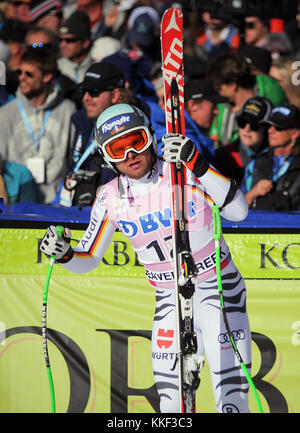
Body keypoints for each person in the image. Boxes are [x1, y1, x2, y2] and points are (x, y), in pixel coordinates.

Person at [40, 103, 252, 413]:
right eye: (117, 148)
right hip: (169, 298)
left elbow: (239, 212)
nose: (129, 155)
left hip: (218, 290)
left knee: (231, 394)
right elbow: (88, 258)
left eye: (135, 142)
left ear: (151, 138)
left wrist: (198, 163)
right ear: (105, 155)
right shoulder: (109, 197)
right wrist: (66, 254)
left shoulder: (182, 171)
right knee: (172, 402)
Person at [55, 61, 139, 206]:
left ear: (115, 95)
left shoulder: (137, 125)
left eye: (94, 91)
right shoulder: (82, 123)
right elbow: (73, 173)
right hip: (78, 213)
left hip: (118, 215)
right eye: (83, 91)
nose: (86, 98)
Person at [0, 47, 76, 204]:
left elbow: (72, 159)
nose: (22, 78)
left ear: (47, 76)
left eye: (29, 74)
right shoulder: (6, 113)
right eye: (19, 72)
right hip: (18, 203)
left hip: (56, 203)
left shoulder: (68, 110)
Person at [243, 104, 300, 211]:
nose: (270, 131)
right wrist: (253, 193)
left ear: (295, 133)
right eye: (269, 126)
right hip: (254, 226)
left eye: (278, 127)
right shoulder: (255, 164)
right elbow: (236, 209)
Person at [214, 96, 272, 185]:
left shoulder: (276, 156)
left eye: (254, 125)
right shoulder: (224, 155)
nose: (247, 129)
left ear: (266, 128)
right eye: (242, 122)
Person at [57, 10, 93, 83]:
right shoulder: (56, 67)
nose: (62, 45)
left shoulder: (97, 64)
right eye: (60, 40)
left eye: (69, 40)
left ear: (85, 42)